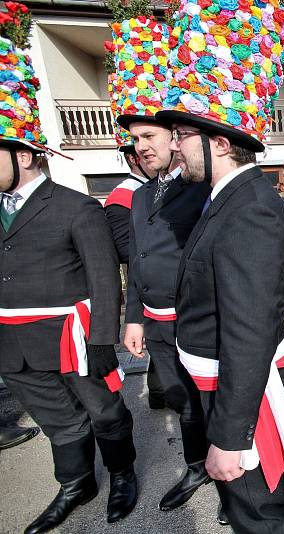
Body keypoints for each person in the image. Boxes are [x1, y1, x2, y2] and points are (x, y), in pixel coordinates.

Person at [155, 1, 284, 532]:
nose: (174, 146)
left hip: (242, 387)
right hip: (223, 383)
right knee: (257, 496)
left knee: (255, 512)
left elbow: (249, 332)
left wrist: (229, 437)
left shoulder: (250, 212)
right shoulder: (223, 196)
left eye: (181, 136)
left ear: (219, 143)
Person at [0, 8, 138, 530]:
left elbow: (106, 277)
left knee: (104, 413)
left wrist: (103, 338)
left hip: (72, 338)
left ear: (26, 154)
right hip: (14, 344)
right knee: (58, 421)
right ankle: (75, 485)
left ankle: (122, 474)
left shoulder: (75, 206)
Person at [107, 14, 214, 516]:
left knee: (214, 402)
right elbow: (139, 263)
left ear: (174, 137)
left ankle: (236, 477)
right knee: (180, 401)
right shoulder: (140, 196)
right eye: (135, 139)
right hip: (156, 325)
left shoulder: (201, 191)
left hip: (198, 324)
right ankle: (197, 466)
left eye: (149, 134)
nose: (141, 145)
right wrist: (133, 318)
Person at [103, 144, 166, 410]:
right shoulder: (123, 196)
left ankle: (162, 391)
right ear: (132, 158)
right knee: (161, 342)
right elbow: (124, 247)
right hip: (146, 280)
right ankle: (161, 392)